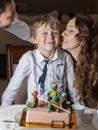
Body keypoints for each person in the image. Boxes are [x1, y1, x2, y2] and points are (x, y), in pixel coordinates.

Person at [1, 15, 77, 106]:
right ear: (34, 39)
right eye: (44, 33)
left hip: (58, 109)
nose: (50, 36)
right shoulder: (28, 58)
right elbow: (13, 87)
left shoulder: (65, 57)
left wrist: (82, 109)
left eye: (55, 33)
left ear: (60, 38)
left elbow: (73, 88)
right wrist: (3, 110)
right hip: (34, 109)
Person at [62, 13, 98, 108]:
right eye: (65, 29)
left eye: (71, 30)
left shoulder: (95, 66)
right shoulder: (69, 63)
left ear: (84, 37)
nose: (63, 33)